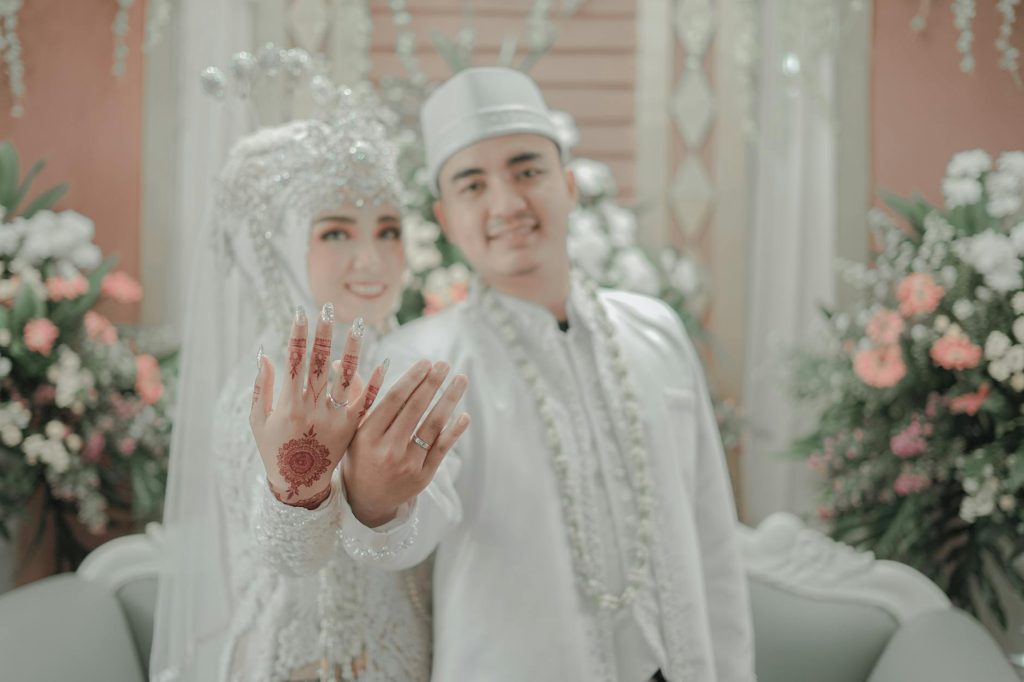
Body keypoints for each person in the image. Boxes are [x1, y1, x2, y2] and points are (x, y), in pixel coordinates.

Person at [255, 67, 755, 682]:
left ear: (568, 185)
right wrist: (377, 503)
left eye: (527, 171)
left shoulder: (657, 332)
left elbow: (713, 535)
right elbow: (405, 532)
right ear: (444, 216)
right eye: (473, 184)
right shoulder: (423, 358)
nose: (507, 204)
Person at [151, 86, 468, 682]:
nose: (372, 260)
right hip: (300, 663)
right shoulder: (266, 382)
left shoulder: (403, 360)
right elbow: (286, 556)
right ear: (283, 248)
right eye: (336, 233)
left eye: (389, 231)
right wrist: (303, 479)